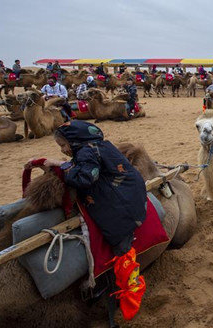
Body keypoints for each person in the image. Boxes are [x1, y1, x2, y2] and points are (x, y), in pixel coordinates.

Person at [35, 120, 146, 284]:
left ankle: (130, 277)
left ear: (74, 141)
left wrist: (64, 170)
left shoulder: (85, 153)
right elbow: (83, 165)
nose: (63, 150)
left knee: (118, 234)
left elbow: (86, 178)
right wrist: (62, 163)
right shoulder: (97, 146)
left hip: (119, 197)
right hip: (127, 186)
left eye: (64, 145)